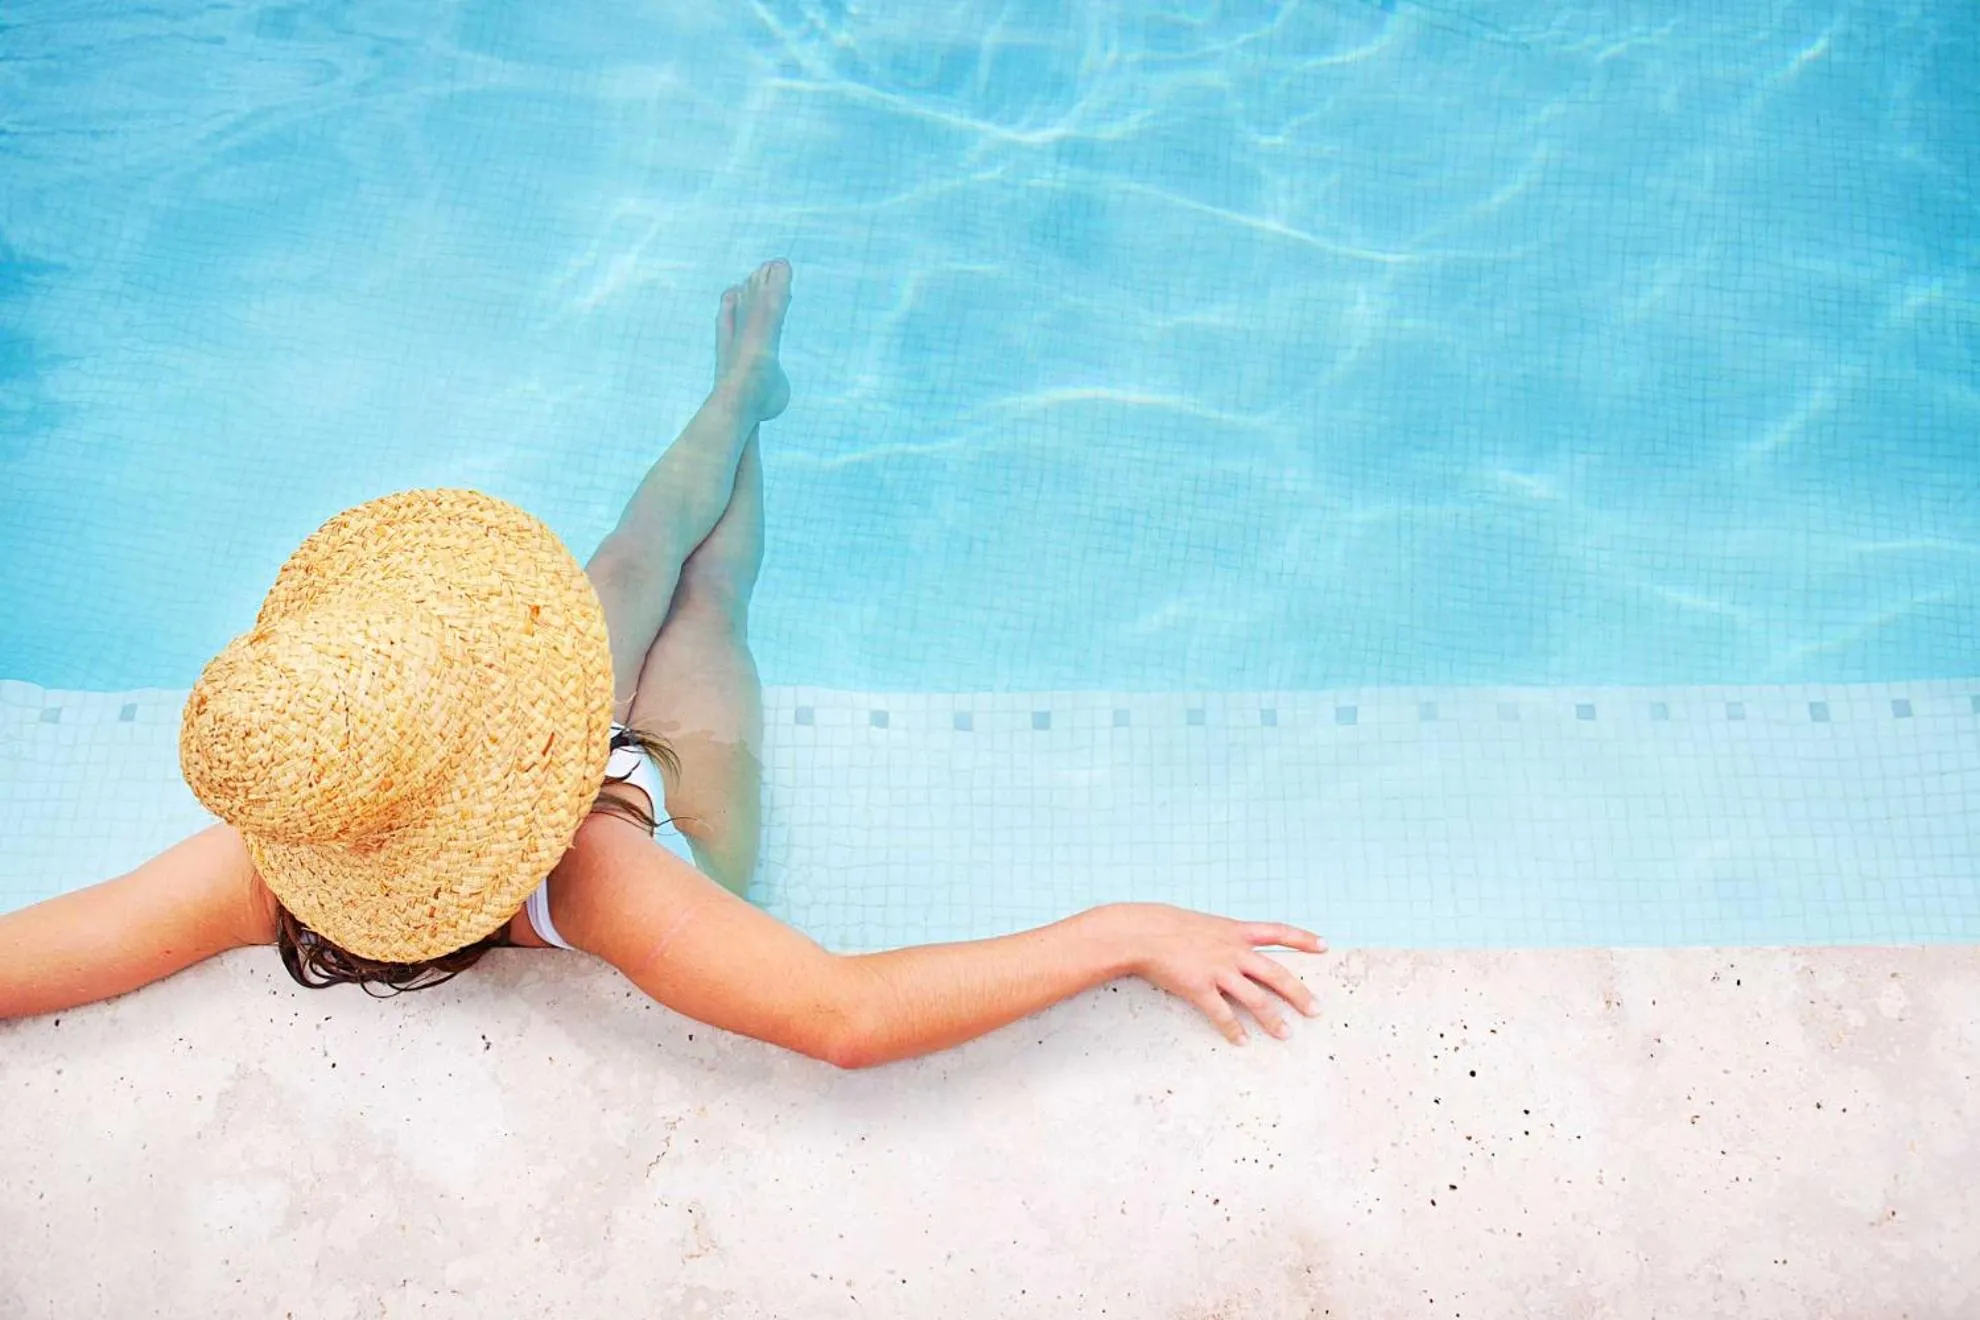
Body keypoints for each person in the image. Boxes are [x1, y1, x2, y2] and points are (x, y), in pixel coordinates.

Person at [0, 260, 1326, 1065]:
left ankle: (739, 389)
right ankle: (750, 405)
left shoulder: (276, 849)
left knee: (633, 558)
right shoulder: (606, 881)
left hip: (539, 761)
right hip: (654, 801)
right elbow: (844, 1017)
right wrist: (1121, 931)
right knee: (705, 602)